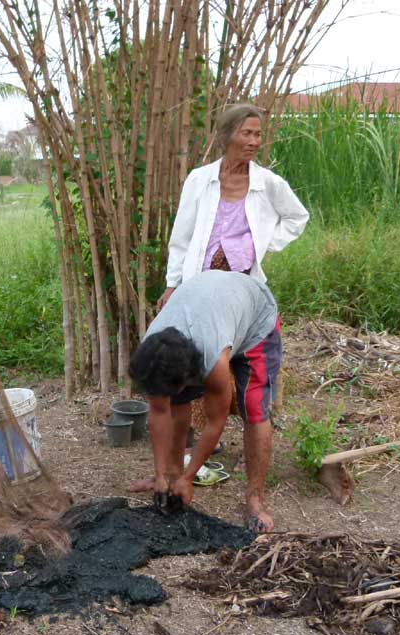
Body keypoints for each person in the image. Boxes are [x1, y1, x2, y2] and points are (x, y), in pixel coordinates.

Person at [154, 103, 308, 470]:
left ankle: (243, 471)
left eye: (258, 134)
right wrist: (173, 284)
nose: (255, 141)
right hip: (199, 295)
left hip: (242, 297)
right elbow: (182, 237)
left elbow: (298, 217)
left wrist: (259, 244)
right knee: (184, 383)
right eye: (247, 133)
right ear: (226, 137)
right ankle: (181, 466)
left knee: (248, 386)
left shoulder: (268, 184)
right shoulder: (199, 180)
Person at [128, 271, 282, 533]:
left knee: (254, 408)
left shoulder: (213, 363)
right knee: (176, 403)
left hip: (255, 318)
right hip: (212, 307)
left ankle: (255, 499)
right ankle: (172, 475)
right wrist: (161, 474)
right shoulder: (152, 352)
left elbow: (215, 423)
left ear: (190, 375)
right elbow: (160, 411)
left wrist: (190, 478)